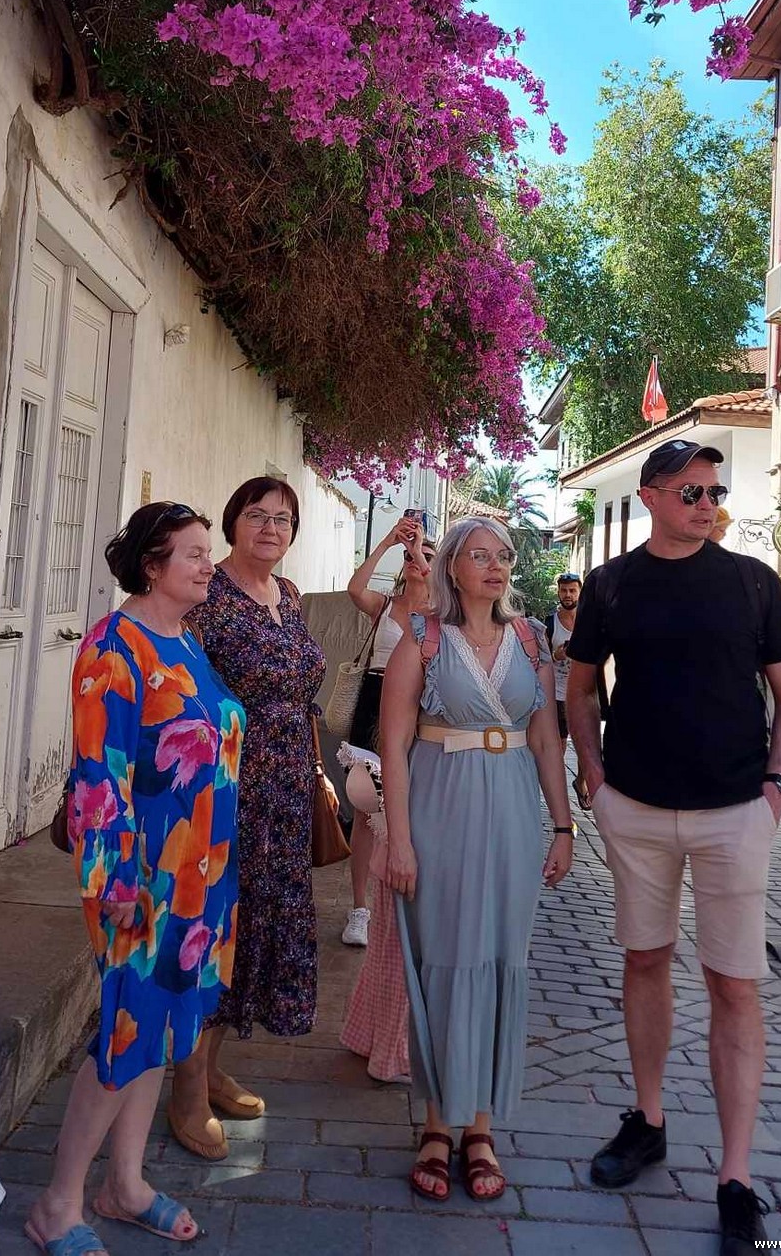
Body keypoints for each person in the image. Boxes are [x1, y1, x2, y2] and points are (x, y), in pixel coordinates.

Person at [566, 438, 781, 1256]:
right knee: (645, 959)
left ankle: (735, 1176)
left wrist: (777, 790)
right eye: (691, 491)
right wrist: (594, 775)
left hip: (736, 810)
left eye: (714, 491)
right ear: (650, 497)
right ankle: (649, 1118)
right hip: (635, 806)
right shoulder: (609, 584)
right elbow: (580, 687)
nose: (707, 504)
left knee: (733, 984)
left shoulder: (754, 582)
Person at [25, 503, 243, 1255]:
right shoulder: (112, 648)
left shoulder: (185, 640)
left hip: (198, 876)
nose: (208, 564)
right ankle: (58, 1204)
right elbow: (98, 775)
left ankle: (124, 1185)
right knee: (128, 1029)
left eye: (207, 552)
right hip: (140, 880)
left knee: (162, 1029)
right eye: (193, 553)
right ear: (152, 565)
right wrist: (116, 881)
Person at [381, 517, 574, 1204]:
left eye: (504, 556)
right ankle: (438, 1123)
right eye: (480, 555)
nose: (496, 566)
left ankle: (482, 1127)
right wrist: (399, 839)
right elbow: (394, 743)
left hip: (514, 814)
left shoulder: (531, 640)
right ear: (453, 567)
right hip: (441, 810)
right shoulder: (422, 637)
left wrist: (562, 826)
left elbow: (546, 740)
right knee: (446, 959)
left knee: (500, 959)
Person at [177, 477, 326, 1159]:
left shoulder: (286, 596)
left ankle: (210, 1069)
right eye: (257, 515)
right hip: (226, 789)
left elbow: (302, 692)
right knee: (215, 928)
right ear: (233, 522)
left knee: (259, 926)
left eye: (283, 519)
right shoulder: (206, 596)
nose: (271, 527)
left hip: (286, 791)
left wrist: (315, 771)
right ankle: (184, 1091)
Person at [342, 519, 436, 946]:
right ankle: (359, 908)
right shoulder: (384, 605)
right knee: (366, 807)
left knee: (411, 809)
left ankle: (403, 906)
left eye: (428, 557)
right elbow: (354, 588)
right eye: (413, 556)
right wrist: (388, 541)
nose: (417, 560)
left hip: (418, 709)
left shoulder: (439, 613)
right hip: (375, 703)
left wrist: (419, 549)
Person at [338, 743, 411, 1082]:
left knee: (391, 933)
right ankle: (390, 1048)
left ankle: (368, 1034)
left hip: (407, 762)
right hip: (413, 766)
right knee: (399, 932)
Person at [550, 571, 581, 741]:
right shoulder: (550, 624)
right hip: (557, 694)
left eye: (572, 590)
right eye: (564, 590)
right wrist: (556, 655)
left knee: (586, 745)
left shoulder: (589, 623)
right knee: (559, 743)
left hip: (583, 694)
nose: (568, 595)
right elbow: (539, 661)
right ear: (558, 592)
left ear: (580, 592)